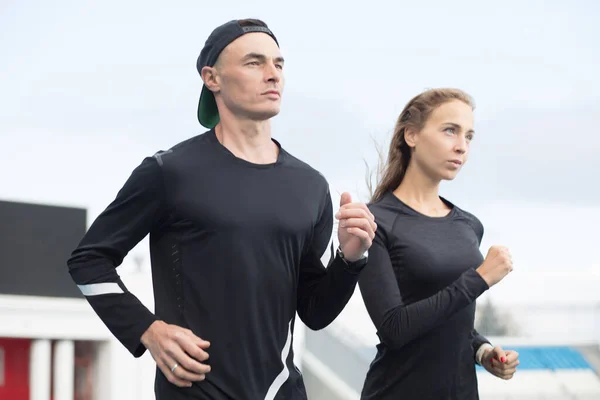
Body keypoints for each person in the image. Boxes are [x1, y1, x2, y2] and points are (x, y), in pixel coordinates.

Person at [67, 18, 376, 400]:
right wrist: (147, 329)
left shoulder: (311, 186)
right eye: (254, 62)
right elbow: (88, 259)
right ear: (211, 78)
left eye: (279, 64)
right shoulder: (170, 172)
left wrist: (351, 258)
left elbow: (313, 311)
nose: (272, 75)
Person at [357, 88, 519, 400]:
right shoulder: (374, 222)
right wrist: (480, 278)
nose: (462, 147)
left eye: (469, 136)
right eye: (450, 131)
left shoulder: (469, 226)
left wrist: (482, 351)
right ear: (412, 136)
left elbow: (453, 321)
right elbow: (395, 328)